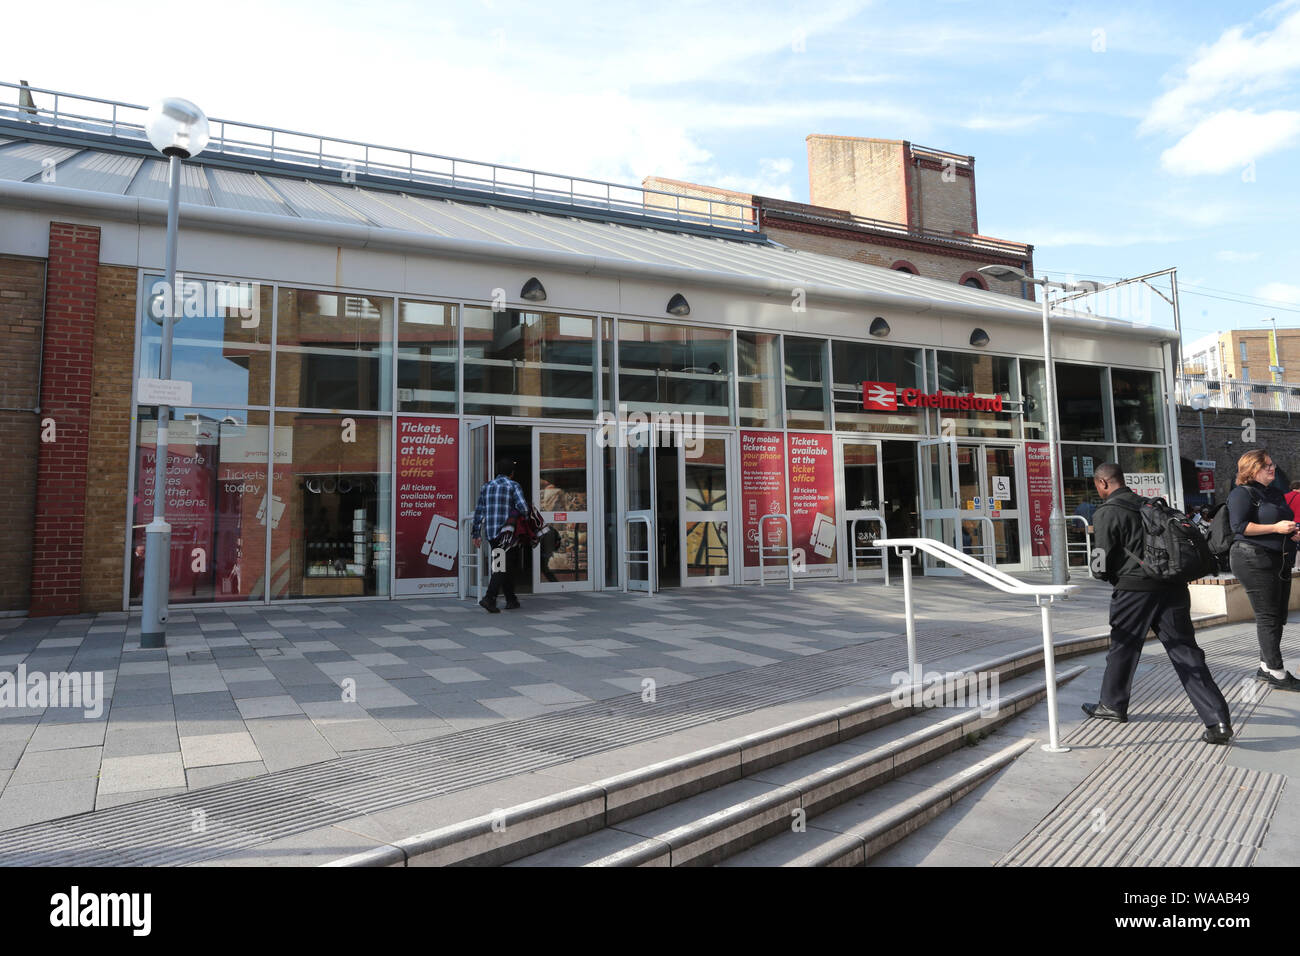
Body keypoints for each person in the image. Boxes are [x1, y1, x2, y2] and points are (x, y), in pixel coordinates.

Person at [1082, 462, 1233, 745]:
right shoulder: (1149, 506)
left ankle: (1112, 705)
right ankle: (1218, 720)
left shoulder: (1107, 512)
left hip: (1134, 591)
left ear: (1103, 483)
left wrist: (1102, 572)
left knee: (1124, 648)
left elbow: (1100, 561)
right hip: (1173, 589)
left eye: (1097, 487)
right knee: (1186, 652)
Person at [1228, 450, 1300, 689]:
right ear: (1252, 468)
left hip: (1279, 559)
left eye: (1272, 464)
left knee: (1278, 615)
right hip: (1252, 558)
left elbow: (1282, 523)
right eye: (1266, 465)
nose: (1272, 468)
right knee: (1268, 616)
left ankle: (1265, 667)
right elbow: (1239, 526)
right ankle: (1278, 673)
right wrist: (1276, 528)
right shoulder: (1242, 493)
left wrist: (1292, 531)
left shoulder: (1275, 493)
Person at [470, 456, 529, 613]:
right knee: (501, 567)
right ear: (512, 473)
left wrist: (475, 533)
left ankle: (511, 599)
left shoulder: (487, 486)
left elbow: (479, 511)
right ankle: (489, 598)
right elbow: (523, 508)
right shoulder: (513, 485)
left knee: (505, 564)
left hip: (491, 533)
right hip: (507, 534)